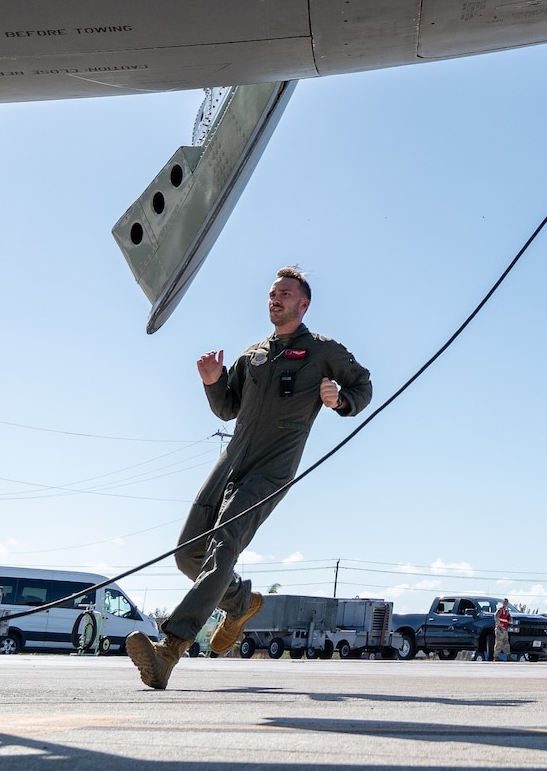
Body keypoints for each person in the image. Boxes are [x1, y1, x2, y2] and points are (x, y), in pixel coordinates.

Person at [126, 267, 372, 689]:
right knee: (187, 553)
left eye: (285, 294)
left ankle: (169, 651)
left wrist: (340, 399)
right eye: (273, 293)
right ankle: (241, 603)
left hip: (271, 469)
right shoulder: (254, 354)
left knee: (223, 545)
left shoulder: (322, 350)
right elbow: (228, 409)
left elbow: (363, 386)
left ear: (303, 304)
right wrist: (213, 382)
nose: (275, 299)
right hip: (232, 460)